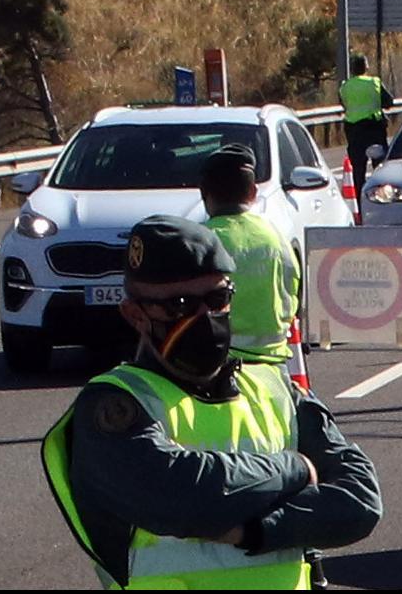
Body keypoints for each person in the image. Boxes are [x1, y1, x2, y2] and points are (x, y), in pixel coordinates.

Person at [42, 216, 382, 589]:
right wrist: (296, 468)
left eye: (218, 299)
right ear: (135, 314)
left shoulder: (276, 389)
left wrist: (253, 530)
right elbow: (179, 496)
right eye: (180, 305)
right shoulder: (114, 405)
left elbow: (360, 501)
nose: (204, 318)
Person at [201, 144, 301, 365]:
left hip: (220, 366)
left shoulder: (202, 240)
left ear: (204, 194)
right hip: (274, 362)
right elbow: (293, 290)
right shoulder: (276, 235)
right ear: (253, 192)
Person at [339, 54, 394, 207]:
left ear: (352, 69)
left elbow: (344, 104)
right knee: (380, 167)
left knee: (358, 170)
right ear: (366, 67)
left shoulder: (345, 87)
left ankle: (361, 203)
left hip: (354, 131)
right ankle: (383, 200)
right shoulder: (374, 82)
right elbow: (389, 102)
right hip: (374, 129)